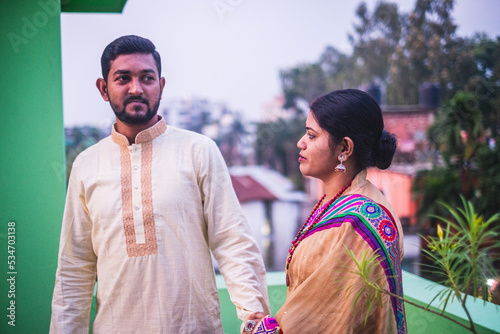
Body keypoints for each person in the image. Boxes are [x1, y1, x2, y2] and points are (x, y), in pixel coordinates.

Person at [50, 35, 270, 333]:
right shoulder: (87, 165)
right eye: (123, 78)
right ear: (103, 88)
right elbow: (74, 267)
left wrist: (254, 313)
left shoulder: (198, 150)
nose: (136, 88)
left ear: (161, 86)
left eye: (147, 78)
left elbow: (232, 239)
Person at [243, 89, 406, 334]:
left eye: (311, 135)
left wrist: (260, 328)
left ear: (345, 148)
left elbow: (326, 321)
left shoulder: (356, 224)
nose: (301, 142)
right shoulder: (340, 201)